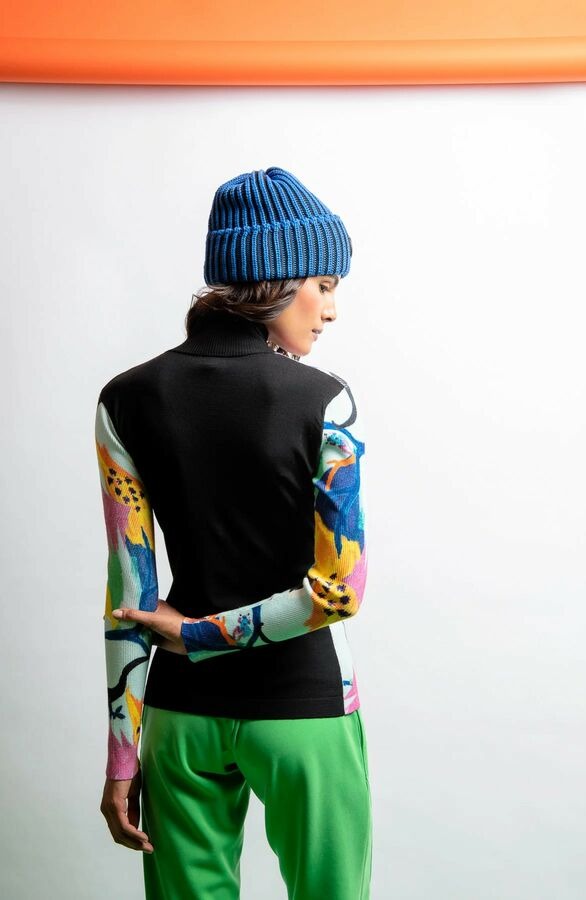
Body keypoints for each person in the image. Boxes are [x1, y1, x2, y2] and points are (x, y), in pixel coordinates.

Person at [95, 165, 372, 899]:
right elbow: (338, 593)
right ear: (274, 279)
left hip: (181, 718)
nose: (331, 310)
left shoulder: (124, 399)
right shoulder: (326, 402)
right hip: (304, 708)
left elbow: (128, 595)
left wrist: (122, 757)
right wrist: (202, 635)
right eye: (324, 285)